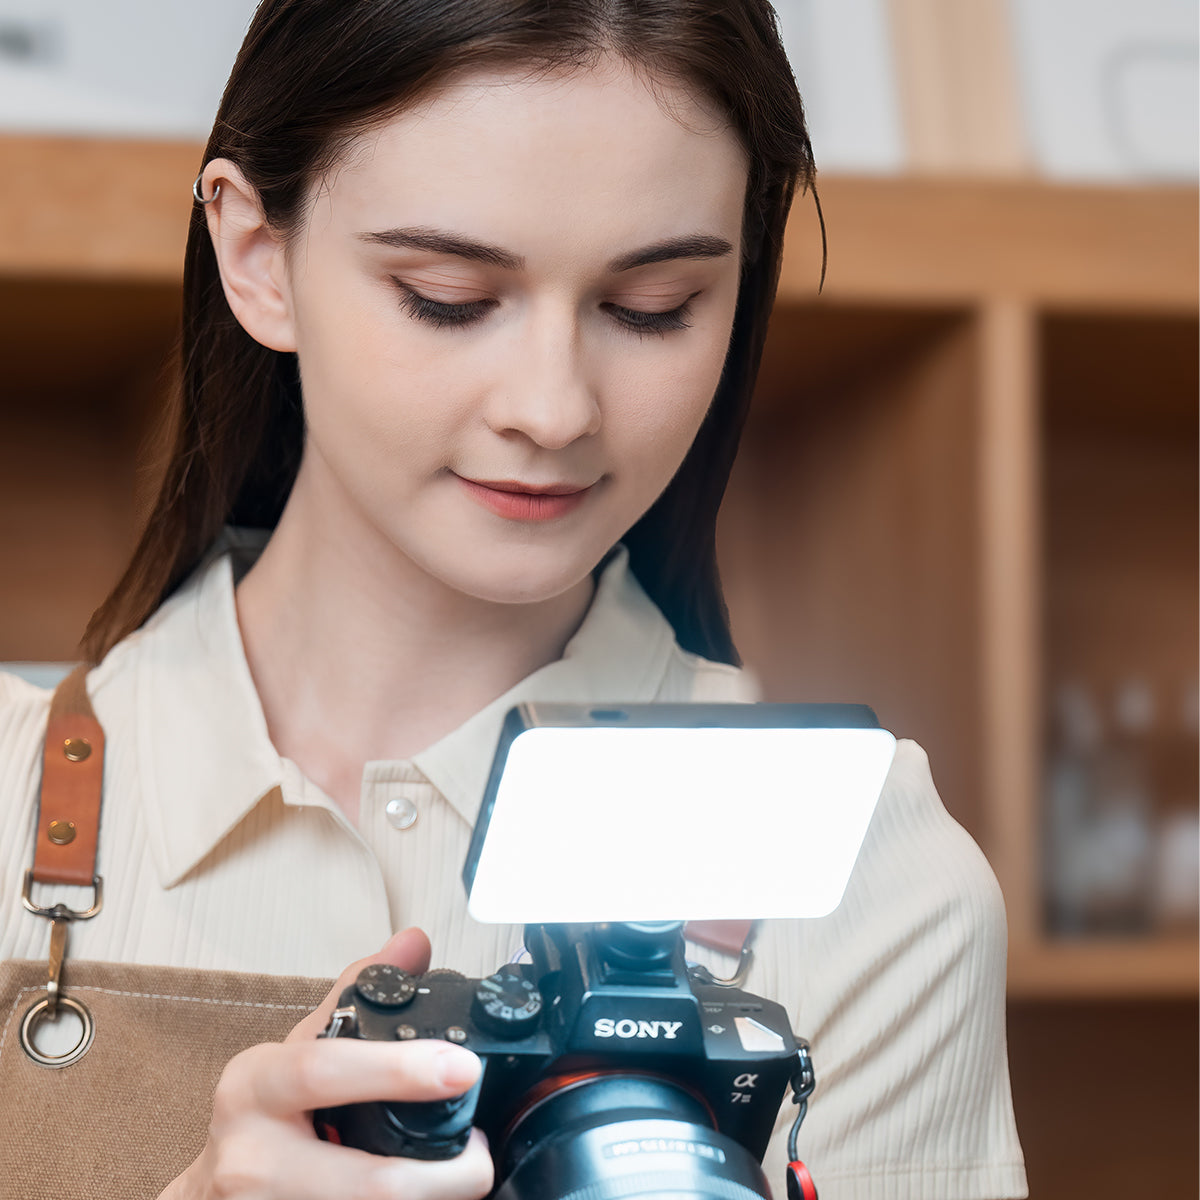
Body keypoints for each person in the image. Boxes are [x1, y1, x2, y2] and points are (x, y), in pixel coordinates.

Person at [0, 2, 1027, 1198]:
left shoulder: (870, 871)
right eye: (447, 294)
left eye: (653, 309)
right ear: (256, 255)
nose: (554, 409)